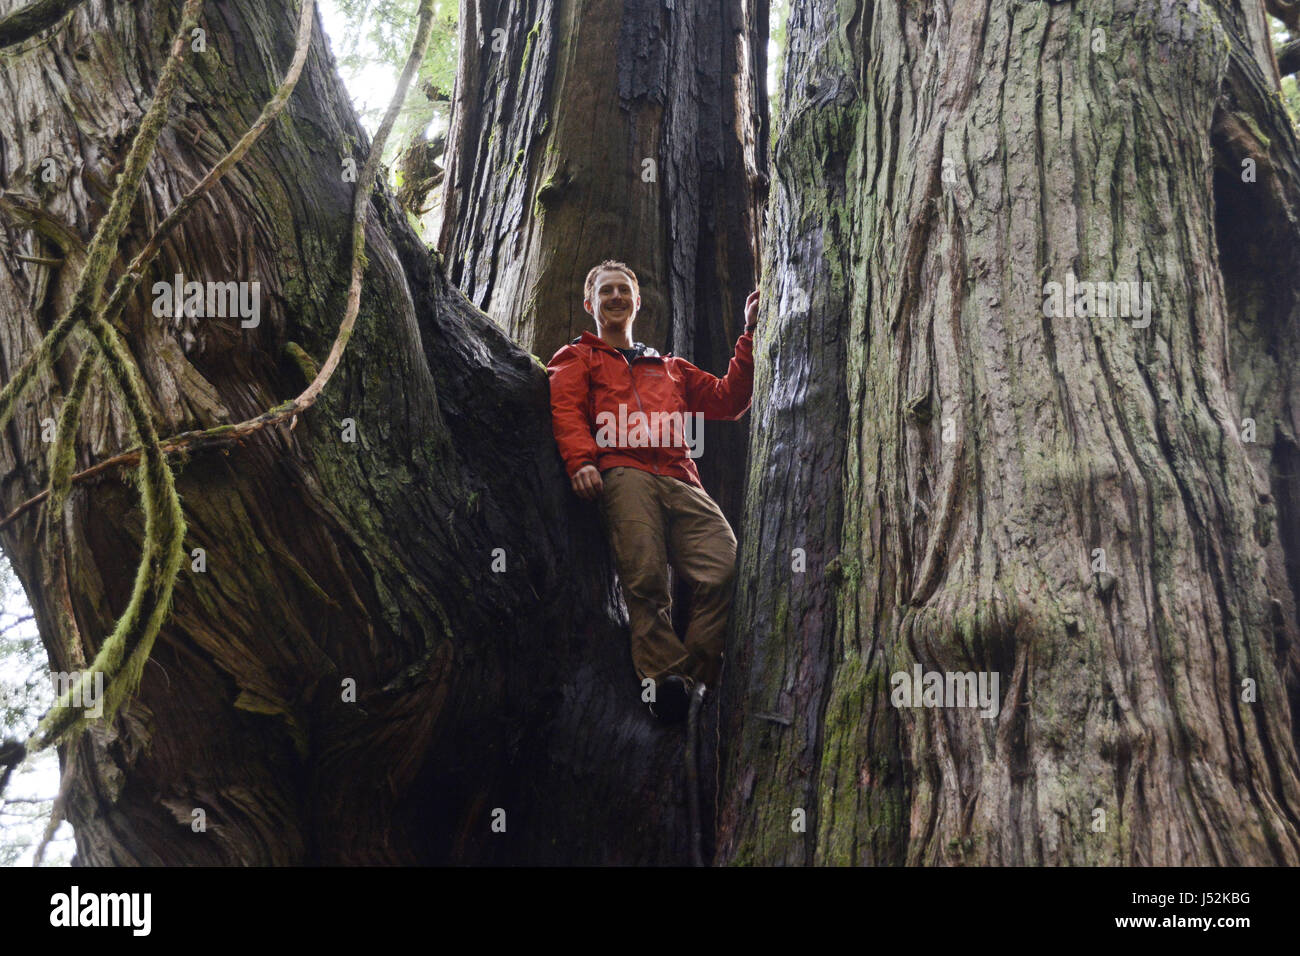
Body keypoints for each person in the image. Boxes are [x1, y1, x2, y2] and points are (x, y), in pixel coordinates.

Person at [547, 259, 758, 723]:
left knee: (725, 566)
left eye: (624, 290)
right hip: (623, 474)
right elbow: (565, 410)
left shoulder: (671, 368)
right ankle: (665, 680)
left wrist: (751, 335)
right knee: (644, 579)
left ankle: (700, 679)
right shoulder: (576, 357)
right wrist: (582, 461)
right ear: (590, 304)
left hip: (682, 478)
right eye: (607, 292)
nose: (617, 297)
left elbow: (728, 400)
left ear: (638, 302)